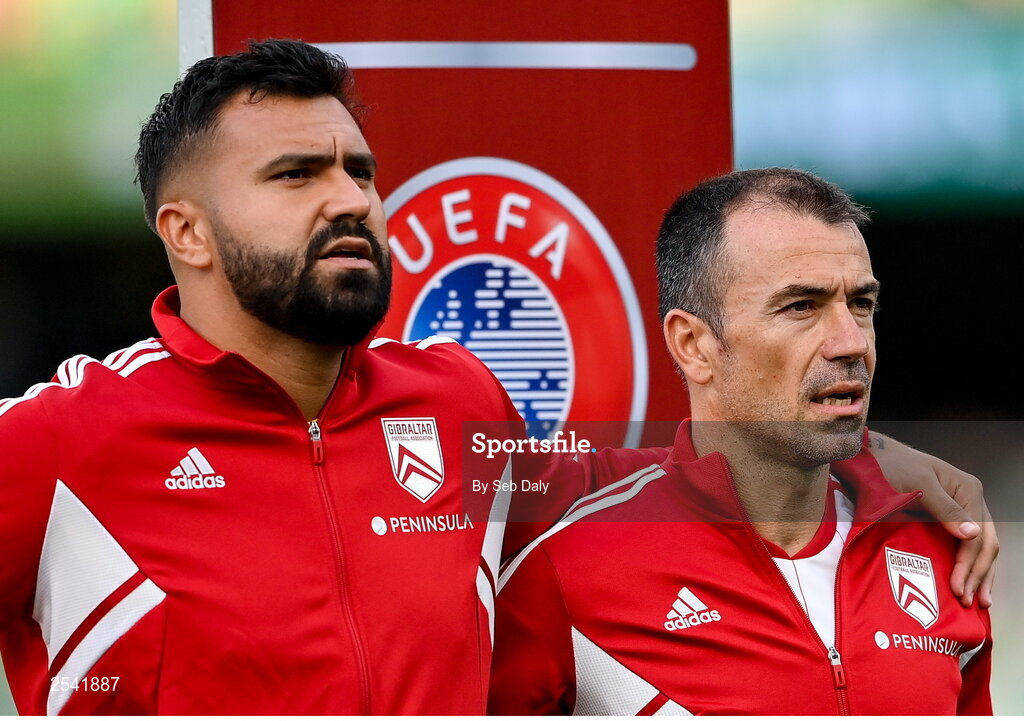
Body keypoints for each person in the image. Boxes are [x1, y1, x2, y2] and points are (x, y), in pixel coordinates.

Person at [0, 41, 994, 715]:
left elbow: (658, 475)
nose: (350, 198)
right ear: (185, 232)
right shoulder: (66, 439)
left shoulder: (456, 402)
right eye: (296, 175)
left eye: (361, 169)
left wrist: (869, 455)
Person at [490, 169, 992, 715]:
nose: (851, 342)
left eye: (862, 305)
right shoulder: (566, 569)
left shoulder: (942, 552)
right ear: (694, 345)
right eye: (801, 306)